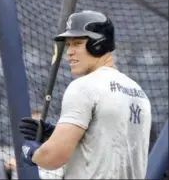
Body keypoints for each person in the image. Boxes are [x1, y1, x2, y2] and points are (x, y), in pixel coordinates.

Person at [19, 10, 152, 179]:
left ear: (98, 44)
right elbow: (108, 145)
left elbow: (54, 157)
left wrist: (32, 153)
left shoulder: (84, 86)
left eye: (77, 43)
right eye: (68, 44)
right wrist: (55, 135)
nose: (69, 52)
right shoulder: (139, 93)